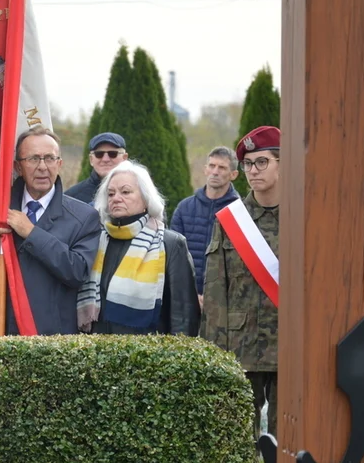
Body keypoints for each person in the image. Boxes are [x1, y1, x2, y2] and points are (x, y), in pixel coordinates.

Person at [200, 126, 281, 463]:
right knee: (238, 443)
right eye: (248, 164)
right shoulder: (231, 221)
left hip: (290, 348)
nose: (253, 171)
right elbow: (215, 290)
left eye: (262, 162)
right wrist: (215, 355)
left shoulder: (306, 215)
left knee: (289, 442)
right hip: (240, 347)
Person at [0, 127, 102, 335]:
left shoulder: (84, 217)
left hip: (52, 341)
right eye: (33, 159)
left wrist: (32, 233)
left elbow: (76, 272)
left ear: (60, 164)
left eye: (49, 158)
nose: (43, 167)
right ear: (18, 166)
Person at [77, 161, 199, 336]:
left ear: (145, 199)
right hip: (97, 353)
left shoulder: (170, 243)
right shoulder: (96, 240)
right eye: (111, 194)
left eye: (125, 192)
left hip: (148, 355)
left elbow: (183, 315)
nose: (116, 198)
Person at [170, 146, 241, 306]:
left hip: (226, 302)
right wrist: (191, 294)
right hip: (186, 299)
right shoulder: (184, 208)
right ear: (205, 169)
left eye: (222, 167)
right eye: (212, 166)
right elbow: (174, 258)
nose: (215, 172)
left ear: (233, 175)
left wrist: (213, 297)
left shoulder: (241, 212)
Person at [66, 132, 129, 205]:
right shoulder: (71, 198)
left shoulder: (140, 193)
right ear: (91, 159)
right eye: (99, 154)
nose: (105, 159)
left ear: (124, 158)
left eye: (112, 154)